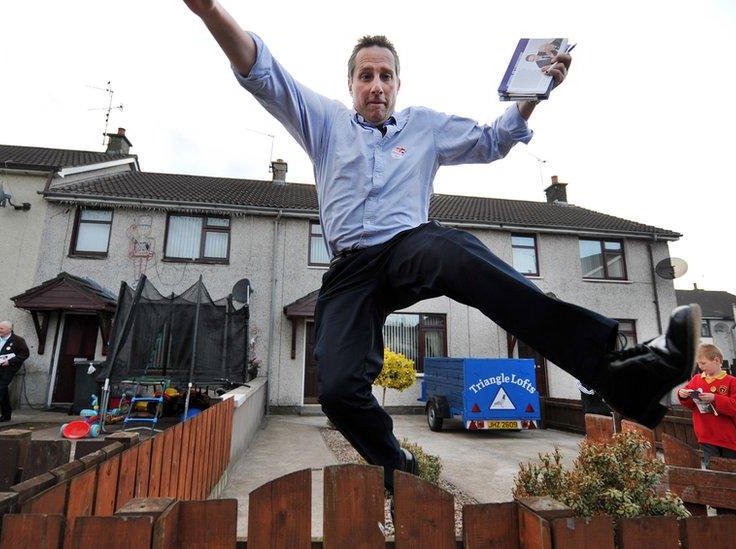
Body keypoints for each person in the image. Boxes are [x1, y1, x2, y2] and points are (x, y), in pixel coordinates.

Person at [182, 0, 701, 493]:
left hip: (409, 247)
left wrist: (530, 97)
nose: (377, 85)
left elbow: (492, 140)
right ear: (351, 84)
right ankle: (396, 464)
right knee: (338, 390)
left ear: (398, 83)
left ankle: (618, 372)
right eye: (367, 75)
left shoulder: (425, 126)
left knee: (454, 250)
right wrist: (209, 10)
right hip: (349, 273)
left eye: (386, 76)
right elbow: (261, 70)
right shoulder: (325, 123)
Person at [676, 343, 736, 468]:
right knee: (712, 468)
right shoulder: (696, 379)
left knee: (732, 470)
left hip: (728, 436)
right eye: (698, 363)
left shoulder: (732, 382)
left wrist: (715, 398)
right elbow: (690, 404)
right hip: (706, 434)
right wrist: (682, 394)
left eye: (703, 363)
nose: (700, 366)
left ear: (716, 361)